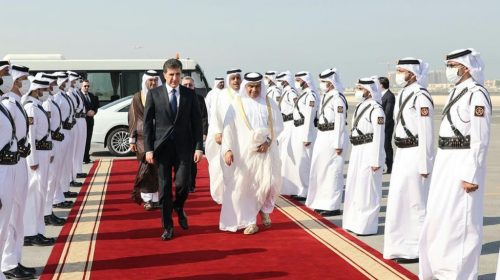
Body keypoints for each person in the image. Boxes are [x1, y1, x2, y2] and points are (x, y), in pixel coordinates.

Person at [419, 48, 491, 280]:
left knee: (461, 221)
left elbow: (480, 139)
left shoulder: (476, 94)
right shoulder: (455, 92)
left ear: (465, 67)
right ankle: (442, 269)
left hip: (463, 162)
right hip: (446, 160)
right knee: (441, 216)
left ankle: (459, 274)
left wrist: (472, 174)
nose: (449, 70)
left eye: (452, 66)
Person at [143, 58, 203, 241]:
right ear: (164, 75)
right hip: (162, 148)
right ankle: (167, 226)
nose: (175, 78)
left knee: (183, 184)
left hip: (184, 148)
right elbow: (147, 124)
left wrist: (199, 147)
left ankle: (179, 206)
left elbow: (197, 123)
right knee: (164, 188)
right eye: (171, 75)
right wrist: (148, 149)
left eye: (178, 74)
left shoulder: (189, 94)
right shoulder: (154, 94)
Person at [383, 58, 434, 264]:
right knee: (399, 200)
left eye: (401, 70)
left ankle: (417, 248)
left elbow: (426, 133)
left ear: (412, 73)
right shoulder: (404, 93)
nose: (397, 74)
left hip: (415, 153)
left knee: (416, 202)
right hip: (403, 152)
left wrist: (425, 164)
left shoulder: (421, 96)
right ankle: (402, 246)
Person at [220, 72, 284, 234]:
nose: (254, 90)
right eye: (250, 86)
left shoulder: (269, 103)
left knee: (268, 184)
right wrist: (227, 149)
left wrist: (268, 142)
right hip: (245, 154)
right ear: (245, 87)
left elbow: (278, 126)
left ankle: (264, 210)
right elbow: (228, 129)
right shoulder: (237, 104)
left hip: (267, 152)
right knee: (247, 187)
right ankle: (249, 222)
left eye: (257, 86)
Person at [343, 77, 385, 236]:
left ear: (369, 91)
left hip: (369, 151)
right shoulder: (361, 107)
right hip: (358, 150)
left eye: (360, 88)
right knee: (356, 187)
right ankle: (355, 222)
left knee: (368, 190)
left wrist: (376, 160)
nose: (357, 91)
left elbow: (379, 136)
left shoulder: (376, 109)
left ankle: (367, 226)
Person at [306, 68, 348, 216]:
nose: (322, 84)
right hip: (323, 134)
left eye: (324, 82)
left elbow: (340, 122)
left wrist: (338, 143)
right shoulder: (326, 96)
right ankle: (322, 202)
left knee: (333, 172)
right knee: (321, 170)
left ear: (331, 82)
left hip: (333, 136)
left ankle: (333, 205)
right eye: (321, 82)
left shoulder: (338, 98)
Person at [0, 62, 28, 280]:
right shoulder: (7, 104)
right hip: (2, 171)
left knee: (11, 218)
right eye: (3, 74)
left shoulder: (3, 105)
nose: (6, 79)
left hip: (12, 166)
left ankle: (11, 261)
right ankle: (8, 264)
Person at [22, 78, 56, 247]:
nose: (47, 92)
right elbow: (30, 136)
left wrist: (50, 152)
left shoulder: (38, 107)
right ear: (36, 91)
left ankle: (38, 230)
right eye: (44, 90)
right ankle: (30, 232)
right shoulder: (30, 108)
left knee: (40, 194)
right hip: (37, 156)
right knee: (35, 194)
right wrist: (33, 159)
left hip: (44, 153)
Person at [205, 69, 241, 203]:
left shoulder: (244, 95)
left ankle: (237, 194)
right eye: (233, 78)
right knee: (221, 167)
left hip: (240, 137)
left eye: (238, 78)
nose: (236, 81)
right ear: (228, 80)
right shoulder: (222, 95)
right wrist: (217, 132)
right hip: (223, 137)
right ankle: (221, 195)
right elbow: (215, 115)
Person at [129, 70, 161, 210]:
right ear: (145, 81)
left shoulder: (161, 95)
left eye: (155, 80)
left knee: (157, 168)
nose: (153, 83)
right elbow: (133, 118)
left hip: (159, 136)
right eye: (150, 80)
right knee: (147, 166)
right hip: (142, 137)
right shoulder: (138, 97)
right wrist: (132, 139)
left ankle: (155, 199)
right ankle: (146, 198)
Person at [286, 71, 319, 201]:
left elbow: (309, 117)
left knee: (305, 162)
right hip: (298, 129)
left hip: (306, 131)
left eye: (299, 80)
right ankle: (301, 189)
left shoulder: (310, 96)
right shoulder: (303, 95)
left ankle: (306, 190)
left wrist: (306, 137)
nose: (297, 82)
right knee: (300, 162)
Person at [181, 76, 208, 193]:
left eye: (190, 85)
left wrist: (203, 133)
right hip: (180, 135)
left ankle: (191, 185)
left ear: (194, 86)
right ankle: (182, 184)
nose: (188, 87)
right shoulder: (178, 97)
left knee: (192, 163)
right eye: (185, 85)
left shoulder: (199, 99)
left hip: (194, 135)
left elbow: (204, 117)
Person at [275, 71, 299, 196]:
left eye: (280, 79)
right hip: (285, 124)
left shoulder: (291, 93)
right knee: (284, 157)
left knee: (289, 157)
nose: (278, 82)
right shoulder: (285, 92)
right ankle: (286, 187)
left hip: (290, 125)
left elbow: (298, 108)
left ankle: (293, 188)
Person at [379, 77, 395, 174]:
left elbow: (388, 113)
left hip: (387, 125)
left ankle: (390, 166)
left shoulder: (389, 96)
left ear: (381, 85)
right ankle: (383, 164)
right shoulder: (380, 95)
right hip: (381, 125)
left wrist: (382, 125)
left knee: (386, 146)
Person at [81, 80, 99, 164]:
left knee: (88, 140)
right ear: (81, 86)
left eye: (88, 86)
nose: (87, 87)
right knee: (82, 140)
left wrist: (94, 112)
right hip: (82, 120)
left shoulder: (91, 95)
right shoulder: (79, 96)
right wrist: (86, 112)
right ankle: (82, 158)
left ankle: (86, 157)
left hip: (90, 121)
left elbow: (96, 106)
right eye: (85, 86)